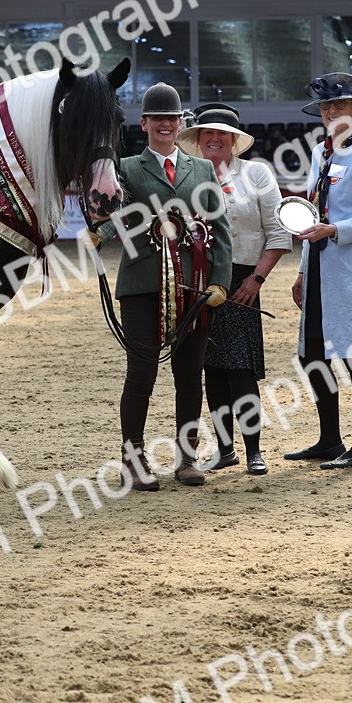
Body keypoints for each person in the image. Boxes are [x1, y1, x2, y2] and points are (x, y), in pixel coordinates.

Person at [103, 83, 232, 491]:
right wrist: (100, 230)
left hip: (193, 287)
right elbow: (114, 218)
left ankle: (186, 457)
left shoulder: (204, 169)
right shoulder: (124, 168)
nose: (165, 124)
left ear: (181, 124)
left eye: (172, 118)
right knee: (140, 373)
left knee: (189, 374)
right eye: (157, 118)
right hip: (142, 284)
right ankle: (134, 460)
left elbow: (221, 231)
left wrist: (220, 282)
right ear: (143, 124)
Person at [175, 104, 292, 475]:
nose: (213, 139)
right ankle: (225, 450)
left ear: (233, 141)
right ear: (197, 139)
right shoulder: (187, 175)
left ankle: (253, 449)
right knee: (210, 369)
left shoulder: (256, 173)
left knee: (240, 369)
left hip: (243, 279)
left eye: (220, 134)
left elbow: (278, 232)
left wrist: (255, 280)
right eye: (206, 134)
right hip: (199, 280)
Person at [283, 72, 352, 469]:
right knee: (313, 355)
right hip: (319, 267)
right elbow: (313, 212)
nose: (330, 112)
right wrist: (302, 272)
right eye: (326, 106)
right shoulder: (321, 153)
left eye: (338, 105)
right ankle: (329, 439)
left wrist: (334, 230)